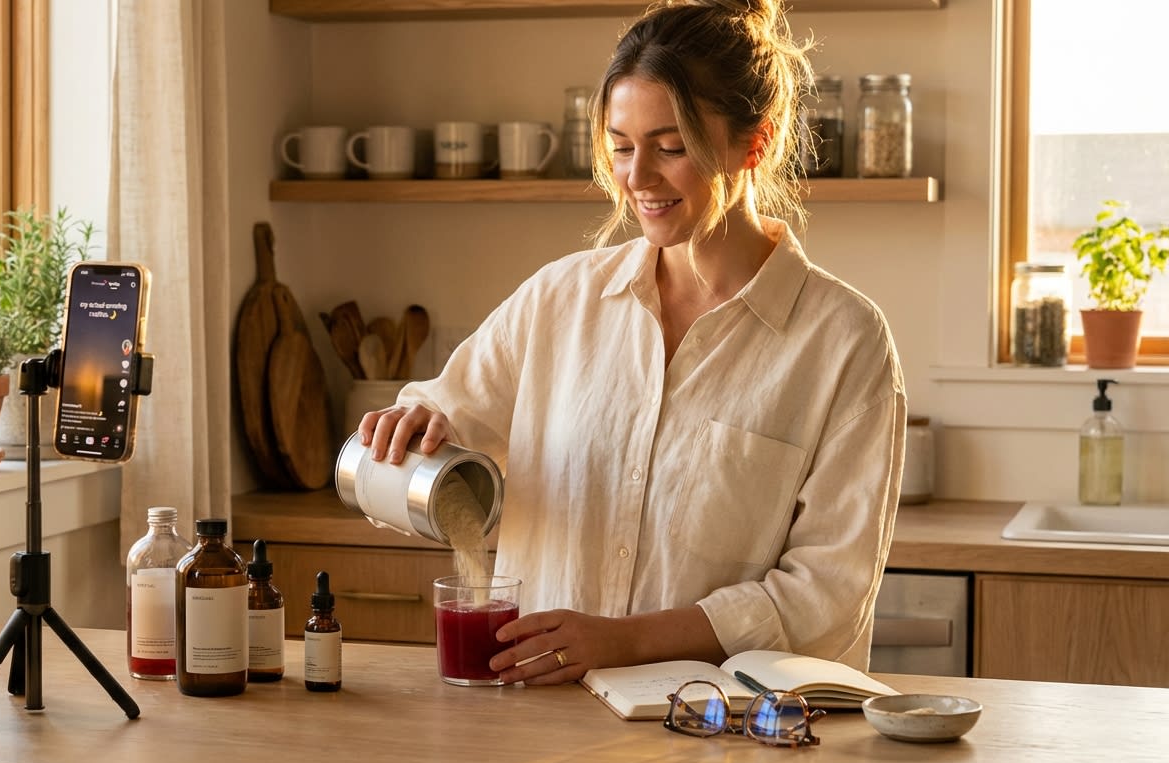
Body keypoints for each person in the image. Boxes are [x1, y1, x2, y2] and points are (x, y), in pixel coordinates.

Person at [359, 0, 906, 686]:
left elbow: (826, 596)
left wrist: (625, 642)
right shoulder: (560, 301)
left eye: (670, 147)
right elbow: (433, 434)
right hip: (540, 723)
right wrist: (408, 436)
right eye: (621, 145)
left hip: (723, 732)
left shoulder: (841, 341)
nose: (637, 177)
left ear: (754, 144)